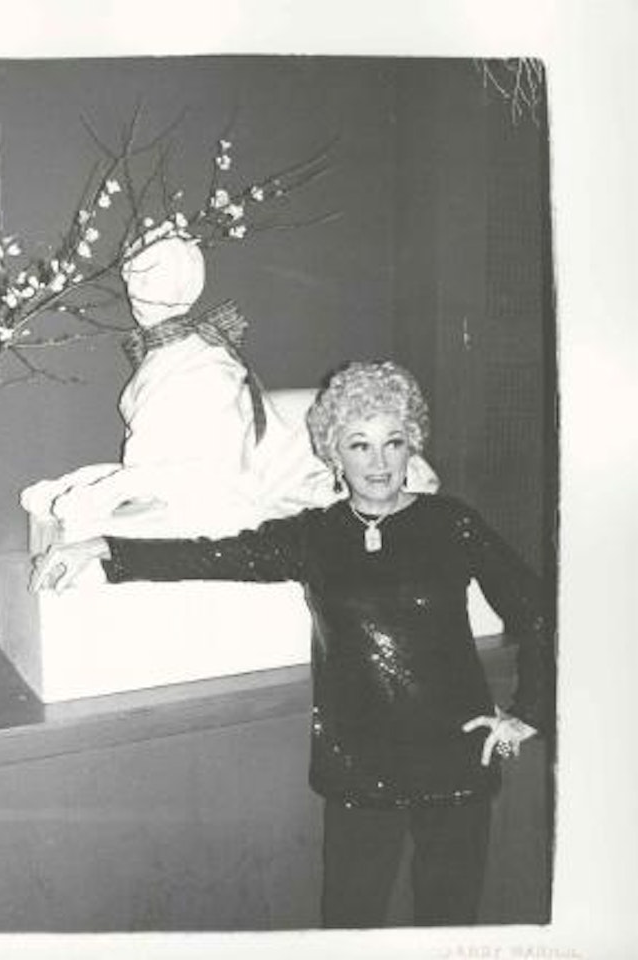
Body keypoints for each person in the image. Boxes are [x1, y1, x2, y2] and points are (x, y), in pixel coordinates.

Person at [30, 359, 550, 928]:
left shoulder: (452, 524)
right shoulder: (316, 535)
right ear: (334, 453)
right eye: (360, 444)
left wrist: (528, 713)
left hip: (454, 760)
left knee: (449, 927)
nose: (379, 462)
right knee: (349, 926)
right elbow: (215, 554)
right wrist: (107, 549)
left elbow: (538, 612)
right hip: (359, 769)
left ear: (411, 446)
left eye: (393, 442)